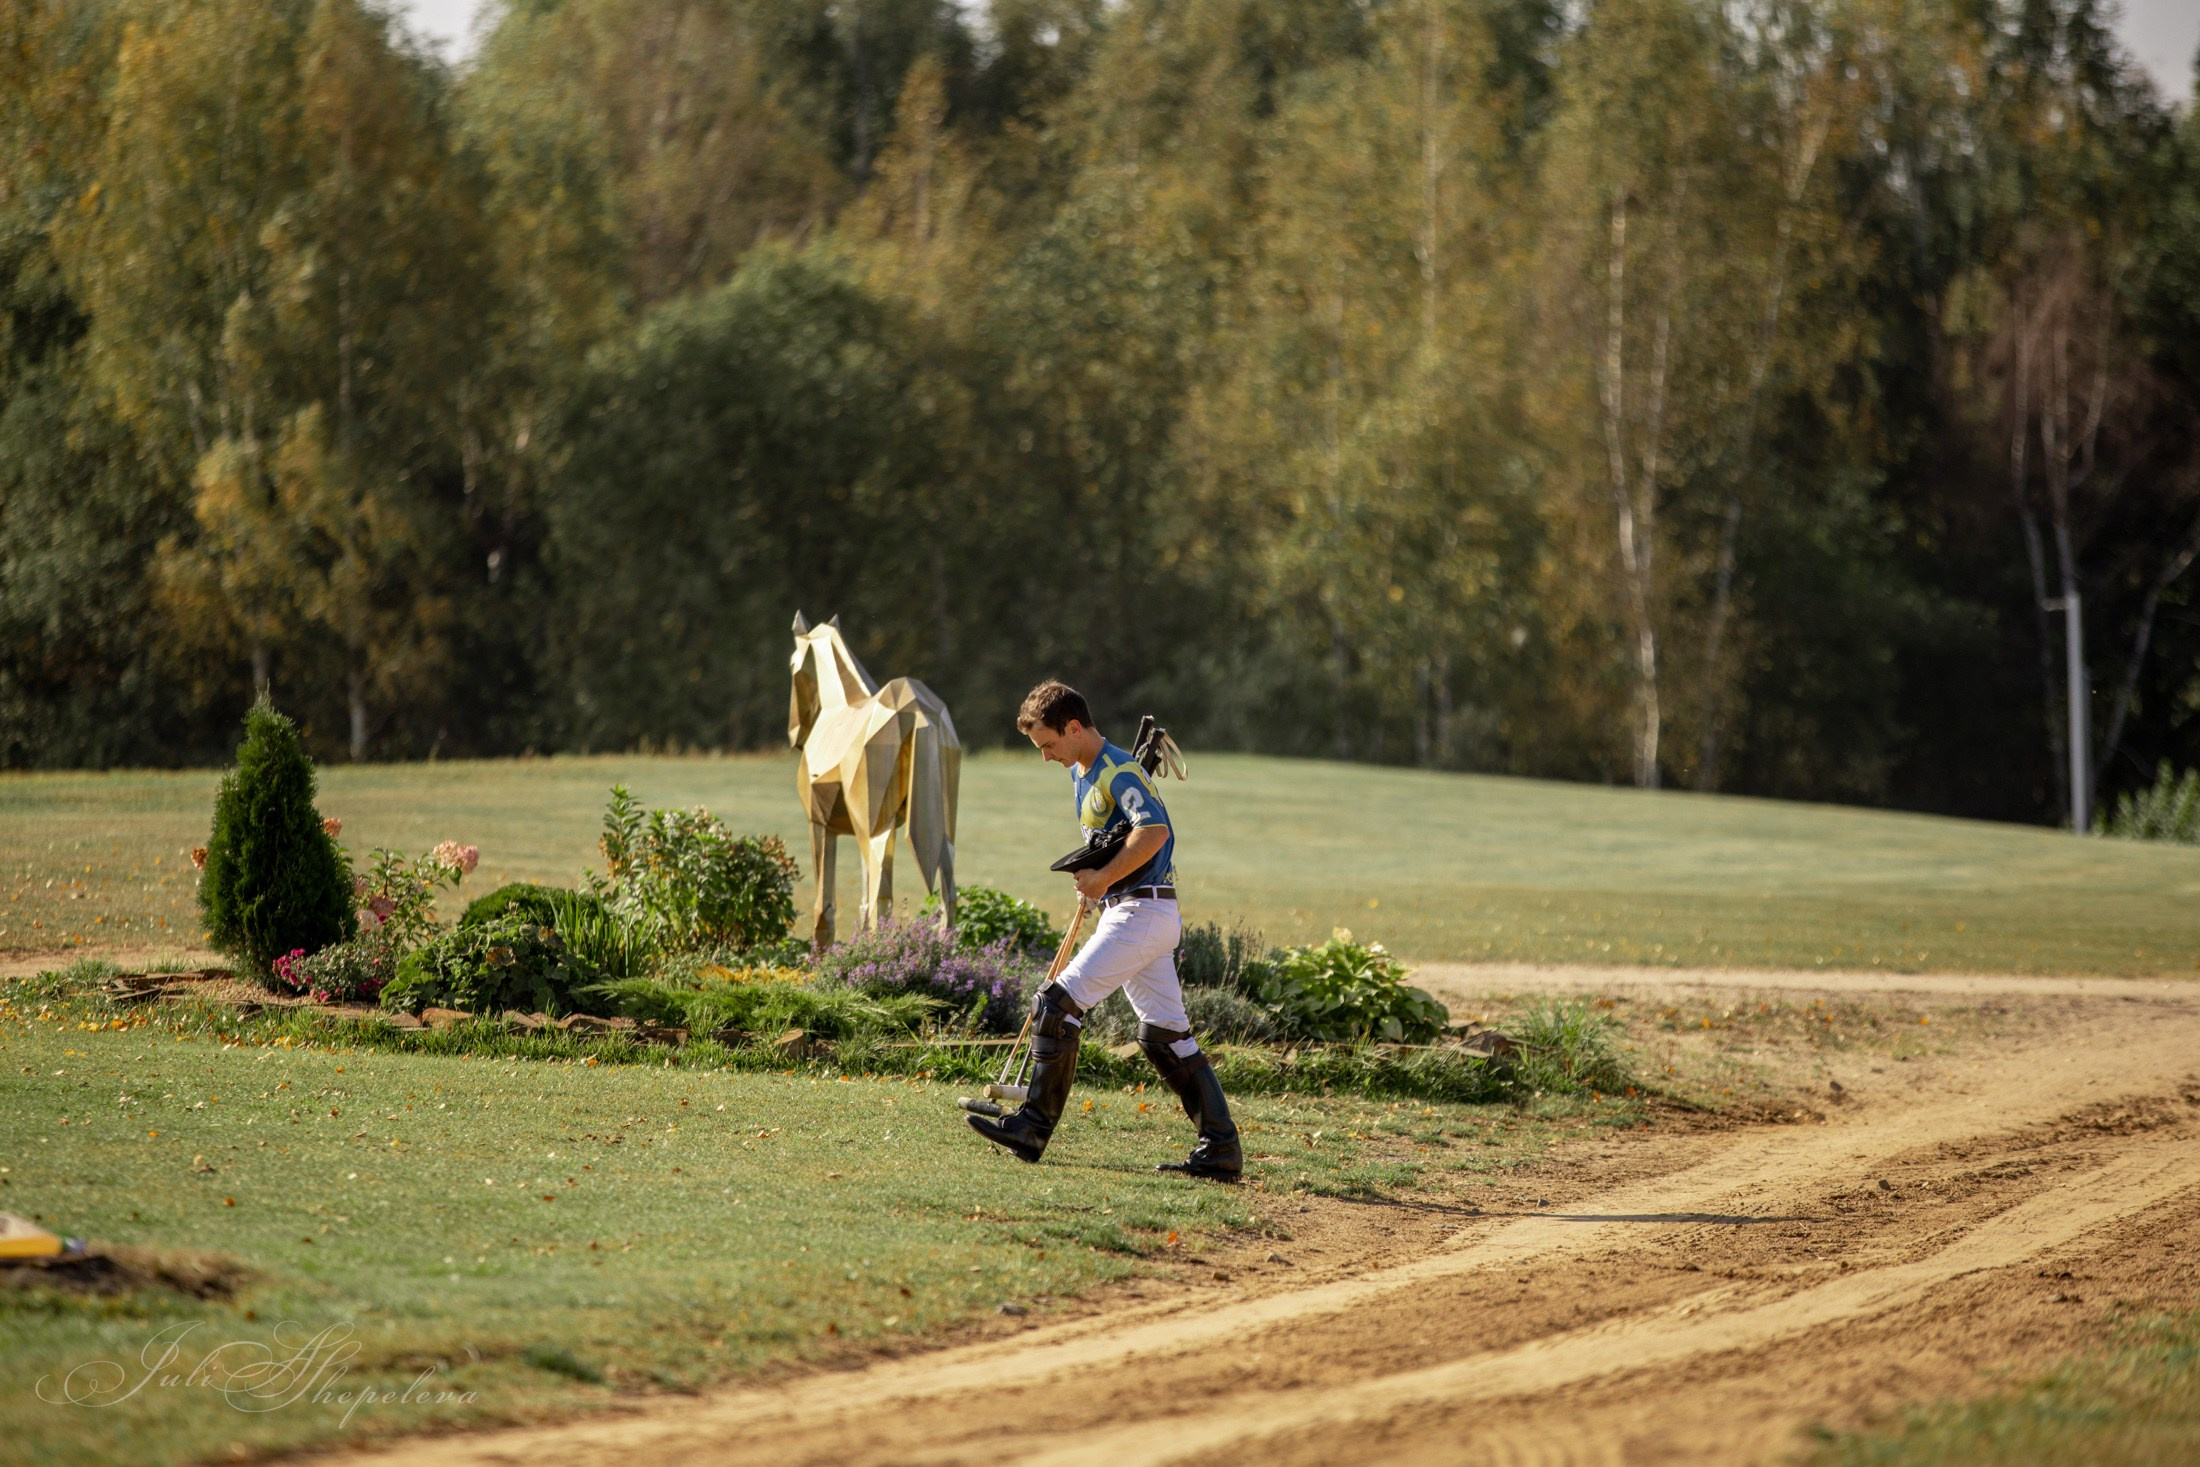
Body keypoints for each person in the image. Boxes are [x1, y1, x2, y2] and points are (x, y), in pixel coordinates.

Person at [965, 680, 1242, 1181]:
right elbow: (1115, 841)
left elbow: (1154, 831)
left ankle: (1032, 1127)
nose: (1046, 757)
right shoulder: (1081, 770)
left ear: (1074, 727)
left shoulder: (1117, 769)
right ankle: (1220, 1149)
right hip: (1132, 910)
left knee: (1055, 1005)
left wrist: (1103, 878)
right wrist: (1098, 882)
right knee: (1165, 1036)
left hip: (1142, 914)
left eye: (1048, 744)